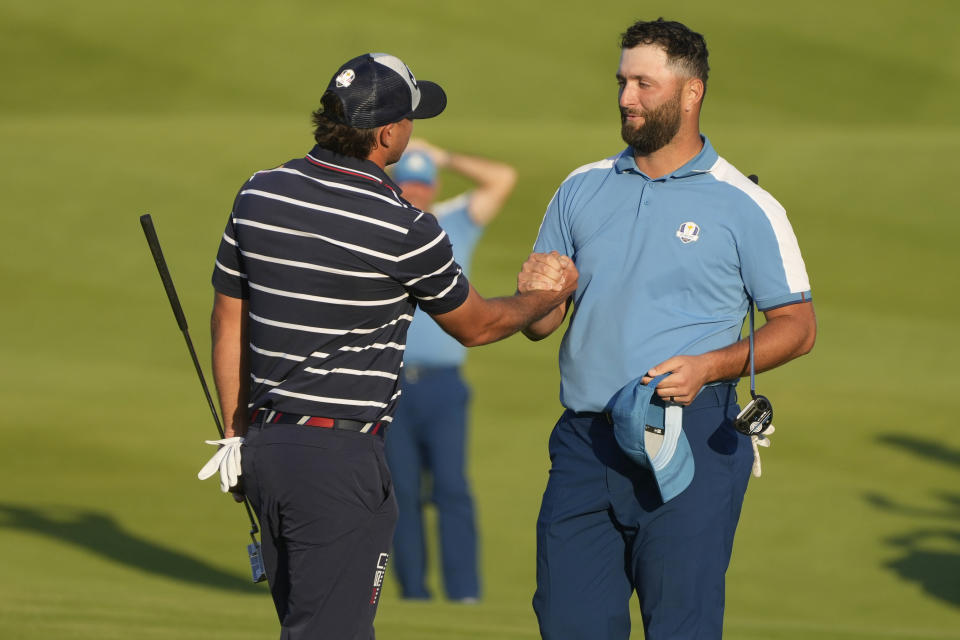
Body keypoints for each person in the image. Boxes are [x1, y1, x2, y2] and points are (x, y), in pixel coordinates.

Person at [205, 52, 577, 640]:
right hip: (338, 461)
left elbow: (230, 317)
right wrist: (545, 296)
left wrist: (234, 436)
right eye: (409, 119)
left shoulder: (260, 193)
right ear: (387, 133)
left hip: (266, 450)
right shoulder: (404, 225)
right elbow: (475, 325)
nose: (411, 129)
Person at [519, 19, 817, 640]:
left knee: (681, 627)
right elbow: (542, 325)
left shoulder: (746, 204)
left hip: (692, 438)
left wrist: (709, 366)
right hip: (583, 443)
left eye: (644, 84)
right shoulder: (581, 187)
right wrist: (538, 295)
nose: (626, 99)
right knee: (568, 625)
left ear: (690, 92)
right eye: (622, 82)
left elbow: (797, 327)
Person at [384, 141, 517, 602]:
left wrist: (441, 155)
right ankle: (413, 594)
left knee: (452, 488)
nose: (416, 193)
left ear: (434, 186)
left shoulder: (455, 220)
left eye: (423, 184)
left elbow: (502, 178)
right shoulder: (382, 226)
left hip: (443, 385)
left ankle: (465, 595)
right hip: (391, 384)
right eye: (408, 184)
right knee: (398, 492)